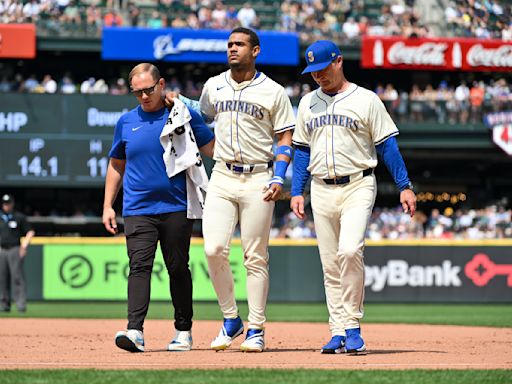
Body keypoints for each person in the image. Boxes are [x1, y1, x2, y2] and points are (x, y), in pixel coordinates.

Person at [169, 27, 295, 352]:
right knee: (212, 249)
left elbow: (285, 138)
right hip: (223, 174)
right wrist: (180, 101)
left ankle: (256, 328)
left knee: (255, 256)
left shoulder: (273, 91)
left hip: (259, 176)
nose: (232, 49)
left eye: (239, 44)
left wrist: (279, 176)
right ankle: (231, 319)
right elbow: (203, 114)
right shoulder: (214, 85)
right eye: (229, 45)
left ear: (255, 50)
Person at [290, 40, 416, 354]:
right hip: (320, 188)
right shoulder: (308, 103)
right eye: (312, 72)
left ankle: (352, 325)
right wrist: (297, 191)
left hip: (358, 184)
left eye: (322, 69)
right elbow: (302, 151)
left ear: (338, 61)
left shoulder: (366, 99)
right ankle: (337, 331)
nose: (317, 76)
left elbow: (387, 145)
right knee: (330, 264)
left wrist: (405, 185)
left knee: (349, 251)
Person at [102, 63, 214, 353]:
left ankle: (183, 331)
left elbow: (211, 147)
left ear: (161, 84)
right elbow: (116, 164)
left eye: (148, 90)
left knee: (178, 268)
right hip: (137, 207)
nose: (143, 96)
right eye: (137, 92)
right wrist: (107, 206)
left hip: (177, 205)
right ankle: (135, 330)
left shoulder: (181, 115)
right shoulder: (126, 122)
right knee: (139, 266)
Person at [0, 194, 35, 312]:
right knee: (2, 278)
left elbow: (30, 232)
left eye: (8, 203)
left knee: (17, 277)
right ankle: (4, 304)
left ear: (12, 203)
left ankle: (20, 304)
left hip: (15, 249)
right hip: (2, 249)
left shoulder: (18, 217)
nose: (6, 206)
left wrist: (24, 246)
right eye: (4, 203)